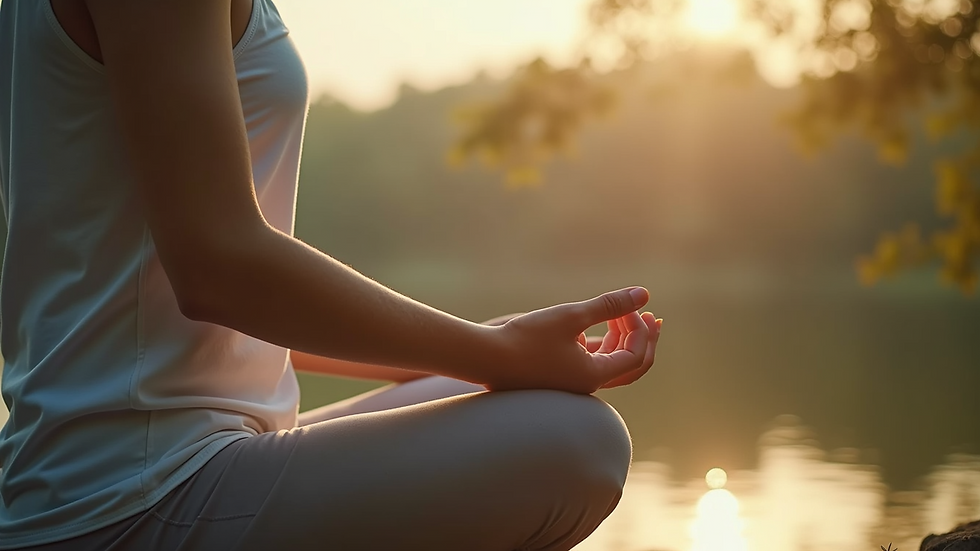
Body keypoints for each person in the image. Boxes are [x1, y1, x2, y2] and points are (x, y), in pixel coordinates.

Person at [0, 0, 663, 549]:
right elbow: (215, 269)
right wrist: (499, 349)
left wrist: (479, 353)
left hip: (177, 460)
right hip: (127, 493)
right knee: (575, 442)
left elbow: (187, 294)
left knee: (498, 396)